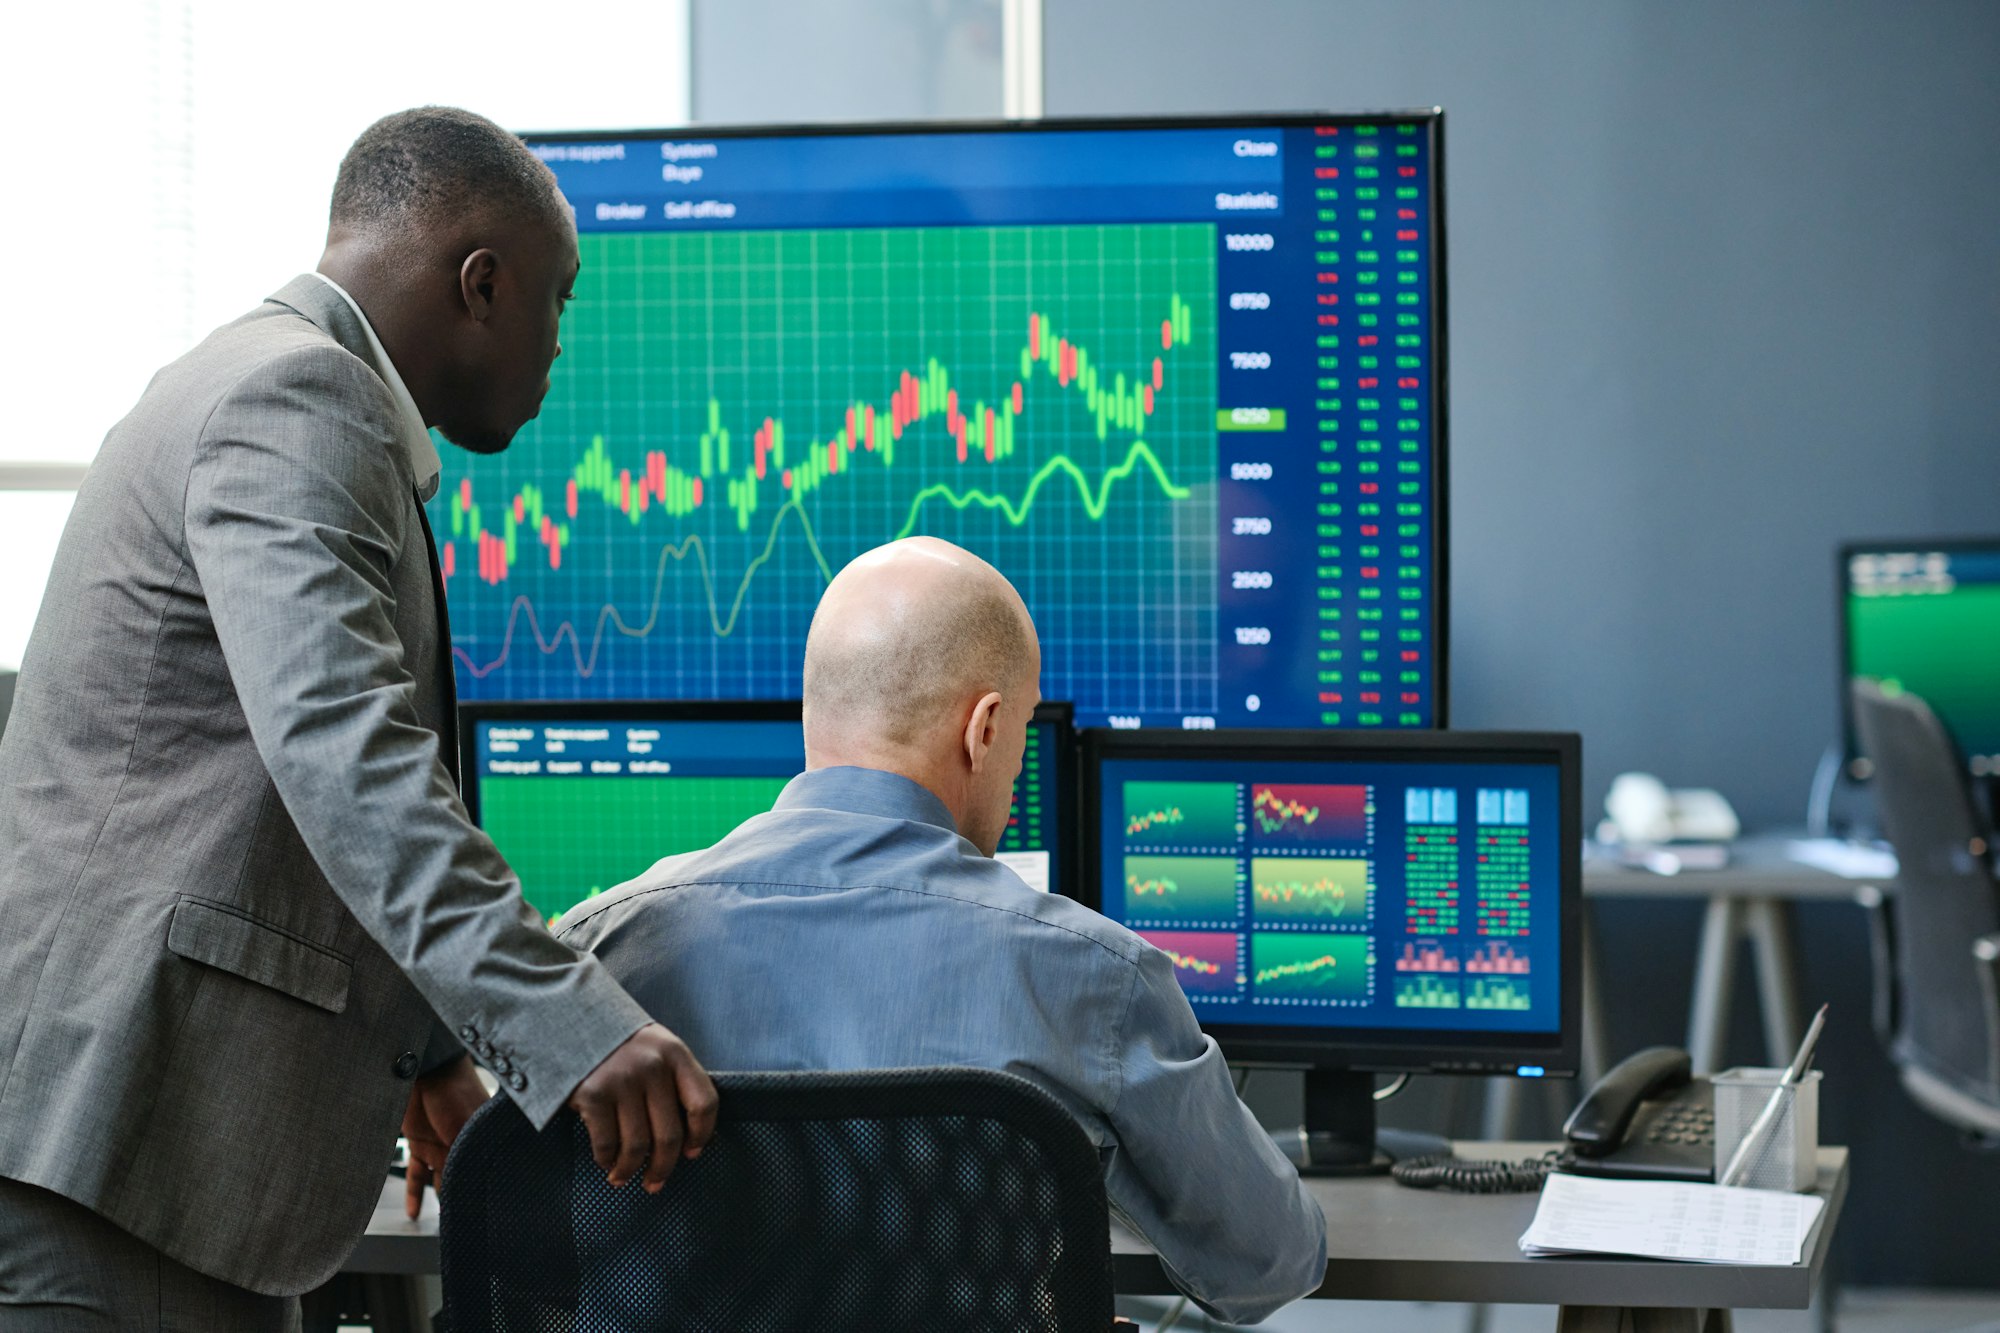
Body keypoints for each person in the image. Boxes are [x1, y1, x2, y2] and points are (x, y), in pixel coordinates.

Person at [0, 108, 715, 1328]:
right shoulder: (297, 399)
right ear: (480, 284)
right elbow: (347, 756)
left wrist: (431, 1047)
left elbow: (262, 781)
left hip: (168, 1161)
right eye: (557, 303)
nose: (559, 347)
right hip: (118, 1150)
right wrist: (573, 1025)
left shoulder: (255, 380)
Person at [558, 537, 1327, 1326]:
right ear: (984, 728)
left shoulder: (589, 950)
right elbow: (1267, 1263)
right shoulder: (1095, 977)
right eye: (1024, 730)